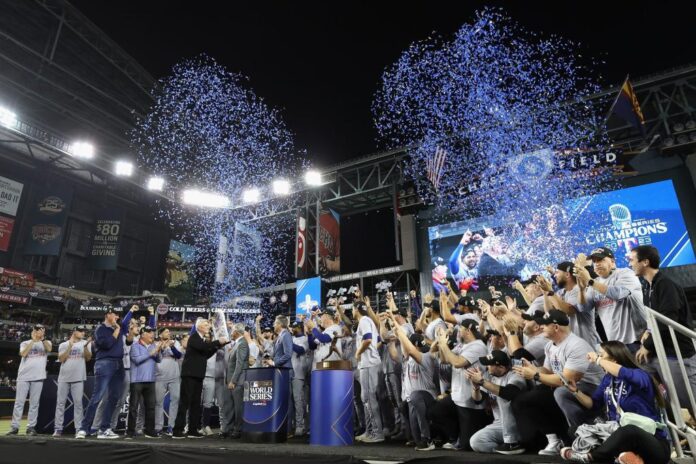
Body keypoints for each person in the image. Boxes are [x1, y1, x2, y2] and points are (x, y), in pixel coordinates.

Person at [560, 341, 670, 464]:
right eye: (598, 356)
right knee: (575, 429)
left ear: (615, 360)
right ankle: (625, 458)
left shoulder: (640, 374)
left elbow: (624, 373)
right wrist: (576, 391)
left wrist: (597, 359)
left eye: (601, 355)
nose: (598, 359)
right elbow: (592, 404)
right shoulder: (608, 379)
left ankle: (591, 457)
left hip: (651, 443)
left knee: (628, 430)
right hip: (618, 436)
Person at [512, 310, 604, 456]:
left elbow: (567, 379)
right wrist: (533, 369)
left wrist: (535, 375)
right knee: (525, 399)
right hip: (568, 387)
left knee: (560, 392)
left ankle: (584, 437)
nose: (541, 327)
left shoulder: (576, 345)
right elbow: (548, 371)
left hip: (591, 389)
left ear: (556, 327)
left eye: (544, 325)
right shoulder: (550, 345)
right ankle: (555, 440)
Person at [630, 245, 696, 413]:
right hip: (662, 352)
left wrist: (647, 345)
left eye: (632, 260)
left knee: (690, 402)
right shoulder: (647, 286)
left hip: (678, 354)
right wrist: (648, 331)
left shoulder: (666, 285)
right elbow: (653, 318)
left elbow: (667, 321)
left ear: (645, 262)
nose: (630, 264)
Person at [77, 306, 134, 439]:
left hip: (119, 364)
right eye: (115, 314)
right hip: (105, 362)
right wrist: (117, 329)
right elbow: (107, 344)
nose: (117, 317)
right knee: (97, 396)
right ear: (107, 315)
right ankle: (83, 428)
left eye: (118, 316)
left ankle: (104, 429)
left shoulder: (118, 328)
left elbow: (129, 341)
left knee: (114, 397)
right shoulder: (100, 329)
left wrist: (129, 327)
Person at [574, 247, 646, 350]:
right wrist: (581, 290)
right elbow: (583, 308)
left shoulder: (626, 273)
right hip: (615, 344)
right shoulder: (596, 282)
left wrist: (590, 281)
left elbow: (618, 294)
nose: (597, 264)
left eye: (601, 260)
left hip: (637, 340)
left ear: (612, 261)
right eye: (594, 261)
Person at [437, 319, 490, 451]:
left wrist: (444, 344)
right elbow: (445, 359)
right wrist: (440, 342)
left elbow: (457, 362)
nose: (458, 331)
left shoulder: (478, 346)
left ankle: (461, 438)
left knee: (467, 446)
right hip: (457, 395)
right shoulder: (462, 345)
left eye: (460, 328)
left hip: (471, 398)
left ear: (468, 330)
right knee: (435, 412)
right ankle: (454, 437)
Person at [390, 313, 440, 451]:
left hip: (428, 398)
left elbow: (410, 349)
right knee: (408, 402)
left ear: (415, 346)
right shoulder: (409, 358)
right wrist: (392, 338)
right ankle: (419, 439)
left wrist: (395, 321)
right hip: (414, 399)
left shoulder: (426, 357)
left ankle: (428, 439)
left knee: (415, 396)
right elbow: (396, 354)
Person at [172, 318, 228, 439]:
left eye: (208, 324)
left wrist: (217, 347)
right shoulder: (194, 338)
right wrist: (218, 341)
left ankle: (192, 430)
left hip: (198, 375)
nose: (208, 326)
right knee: (185, 402)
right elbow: (203, 347)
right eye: (206, 324)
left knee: (195, 404)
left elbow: (205, 354)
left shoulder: (201, 340)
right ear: (199, 327)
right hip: (189, 375)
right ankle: (177, 430)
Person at [467, 350, 527, 455]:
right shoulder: (491, 377)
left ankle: (512, 443)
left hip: (519, 424)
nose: (487, 367)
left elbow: (508, 393)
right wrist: (476, 387)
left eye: (490, 365)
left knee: (502, 396)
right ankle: (504, 450)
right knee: (476, 442)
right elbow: (478, 401)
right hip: (500, 424)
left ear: (501, 367)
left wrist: (482, 382)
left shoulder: (516, 375)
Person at [541, 263, 601, 348]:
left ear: (567, 274)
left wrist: (550, 291)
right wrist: (545, 292)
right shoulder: (561, 292)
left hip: (587, 343)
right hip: (572, 343)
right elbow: (549, 312)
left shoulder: (579, 290)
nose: (555, 275)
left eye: (557, 272)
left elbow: (568, 311)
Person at [7, 324, 51, 436]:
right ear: (33, 331)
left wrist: (42, 339)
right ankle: (14, 427)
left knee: (34, 404)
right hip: (23, 376)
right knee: (19, 403)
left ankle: (31, 427)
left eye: (41, 330)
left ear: (44, 331)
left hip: (38, 377)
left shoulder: (46, 342)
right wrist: (33, 340)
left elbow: (49, 349)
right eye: (37, 329)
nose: (39, 331)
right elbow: (23, 353)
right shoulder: (25, 343)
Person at [353, 300, 385, 443]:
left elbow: (367, 339)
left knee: (369, 399)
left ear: (357, 309)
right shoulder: (369, 321)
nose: (352, 311)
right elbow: (377, 340)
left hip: (368, 364)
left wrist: (358, 353)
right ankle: (369, 431)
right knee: (366, 399)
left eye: (353, 309)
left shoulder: (364, 320)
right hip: (371, 363)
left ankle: (377, 434)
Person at [54, 326, 91, 437]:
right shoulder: (63, 344)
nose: (83, 333)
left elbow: (88, 358)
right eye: (80, 331)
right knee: (60, 403)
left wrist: (85, 347)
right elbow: (61, 359)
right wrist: (70, 346)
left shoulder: (85, 343)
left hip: (78, 377)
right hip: (64, 378)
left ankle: (78, 429)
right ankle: (58, 428)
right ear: (74, 332)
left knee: (78, 404)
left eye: (83, 331)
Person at [126, 326, 162, 439]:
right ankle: (130, 432)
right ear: (143, 334)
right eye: (150, 333)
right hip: (137, 381)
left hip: (150, 380)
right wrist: (152, 352)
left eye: (152, 332)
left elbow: (159, 359)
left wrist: (158, 351)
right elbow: (137, 360)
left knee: (151, 407)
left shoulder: (153, 346)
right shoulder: (135, 346)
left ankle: (149, 431)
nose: (152, 334)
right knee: (133, 407)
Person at [155, 328, 182, 435]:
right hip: (160, 375)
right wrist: (161, 347)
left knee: (175, 400)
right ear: (160, 334)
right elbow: (156, 355)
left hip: (174, 375)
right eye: (166, 332)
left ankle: (171, 426)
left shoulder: (175, 343)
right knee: (158, 402)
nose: (169, 333)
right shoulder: (156, 343)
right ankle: (158, 426)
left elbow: (179, 355)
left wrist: (171, 346)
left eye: (169, 332)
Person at [224, 323, 249, 439]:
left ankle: (238, 430)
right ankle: (229, 429)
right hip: (232, 381)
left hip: (237, 381)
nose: (230, 332)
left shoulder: (242, 343)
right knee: (231, 406)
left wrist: (233, 381)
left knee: (238, 407)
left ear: (236, 332)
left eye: (232, 330)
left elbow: (239, 365)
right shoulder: (237, 343)